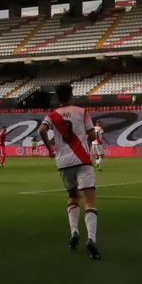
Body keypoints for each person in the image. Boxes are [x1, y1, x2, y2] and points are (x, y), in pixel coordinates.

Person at [39, 84, 101, 260]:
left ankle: (74, 232)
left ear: (57, 99)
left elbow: (41, 129)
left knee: (73, 197)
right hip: (82, 160)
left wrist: (50, 148)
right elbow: (92, 136)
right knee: (89, 201)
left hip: (63, 162)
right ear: (71, 95)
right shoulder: (82, 111)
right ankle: (91, 238)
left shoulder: (51, 116)